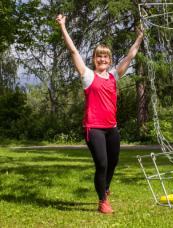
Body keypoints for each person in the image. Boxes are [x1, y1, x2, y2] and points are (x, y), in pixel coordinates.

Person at [56, 14, 144, 214]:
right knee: (102, 163)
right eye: (99, 56)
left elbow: (131, 55)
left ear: (110, 60)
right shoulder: (87, 76)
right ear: (94, 59)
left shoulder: (114, 75)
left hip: (111, 128)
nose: (102, 59)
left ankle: (105, 188)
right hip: (93, 127)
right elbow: (73, 50)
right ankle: (102, 200)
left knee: (113, 162)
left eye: (105, 56)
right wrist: (63, 26)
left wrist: (139, 38)